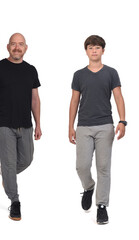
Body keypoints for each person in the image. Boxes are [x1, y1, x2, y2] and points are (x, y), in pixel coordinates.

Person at [0, 33, 41, 221]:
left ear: (26, 48)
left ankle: (5, 174)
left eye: (20, 44)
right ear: (8, 47)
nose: (17, 47)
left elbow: (35, 98)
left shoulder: (31, 70)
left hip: (25, 123)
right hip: (3, 122)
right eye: (13, 44)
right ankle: (14, 202)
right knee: (9, 162)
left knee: (27, 159)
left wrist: (39, 123)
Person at [68, 35, 125, 225]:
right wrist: (70, 126)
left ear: (103, 50)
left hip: (105, 126)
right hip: (83, 125)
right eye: (91, 47)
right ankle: (88, 186)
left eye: (98, 47)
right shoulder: (79, 74)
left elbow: (118, 97)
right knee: (81, 166)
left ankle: (101, 206)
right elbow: (74, 101)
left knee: (103, 167)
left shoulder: (111, 73)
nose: (94, 50)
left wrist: (122, 121)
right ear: (86, 51)